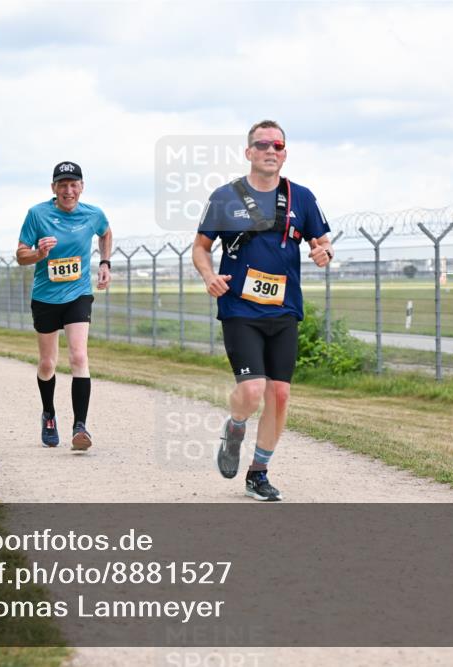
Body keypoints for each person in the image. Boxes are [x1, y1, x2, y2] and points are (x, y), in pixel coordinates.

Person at [192, 120, 334, 501]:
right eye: (263, 145)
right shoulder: (226, 197)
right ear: (249, 152)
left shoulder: (301, 197)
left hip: (284, 309)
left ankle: (258, 472)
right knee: (253, 389)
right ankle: (236, 425)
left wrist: (324, 252)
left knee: (281, 394)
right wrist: (209, 277)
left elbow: (322, 242)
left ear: (284, 153)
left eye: (278, 145)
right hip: (239, 307)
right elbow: (201, 248)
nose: (271, 151)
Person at [17, 161, 112, 450]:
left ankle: (80, 427)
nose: (68, 190)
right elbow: (21, 256)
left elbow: (105, 233)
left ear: (81, 187)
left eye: (73, 184)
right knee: (47, 364)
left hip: (78, 293)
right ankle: (48, 414)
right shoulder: (37, 214)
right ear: (53, 188)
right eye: (62, 185)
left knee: (79, 357)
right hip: (45, 297)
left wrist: (105, 262)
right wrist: (39, 253)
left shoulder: (93, 214)